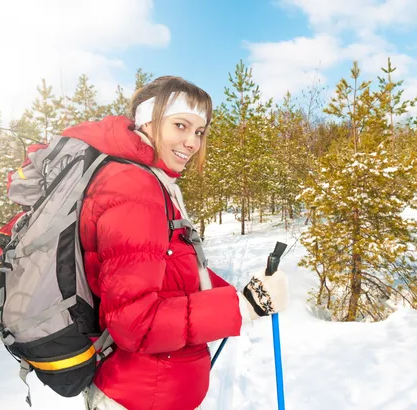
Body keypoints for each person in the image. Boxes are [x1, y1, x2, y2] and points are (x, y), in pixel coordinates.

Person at [60, 76, 290, 410]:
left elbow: (173, 273)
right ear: (147, 121)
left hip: (151, 391)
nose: (193, 142)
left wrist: (245, 294)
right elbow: (135, 324)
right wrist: (242, 308)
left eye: (199, 131)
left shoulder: (149, 181)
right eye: (181, 125)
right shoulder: (133, 188)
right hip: (139, 396)